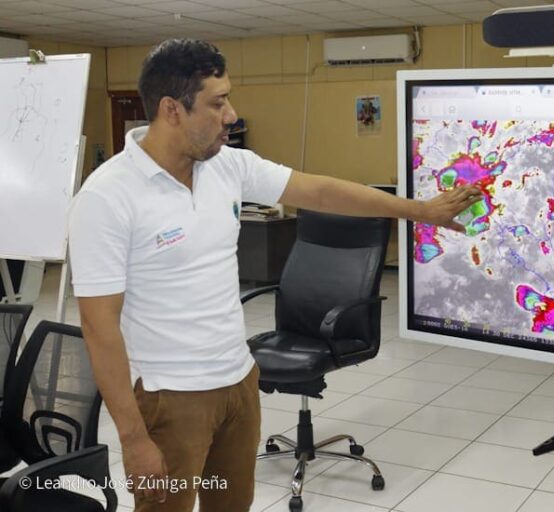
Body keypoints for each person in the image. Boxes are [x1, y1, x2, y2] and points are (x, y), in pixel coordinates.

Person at [68, 39, 480, 512]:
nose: (231, 115)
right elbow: (99, 327)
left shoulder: (227, 166)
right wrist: (133, 438)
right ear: (172, 109)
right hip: (170, 397)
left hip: (239, 382)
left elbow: (320, 191)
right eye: (217, 103)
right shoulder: (107, 197)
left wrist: (418, 211)